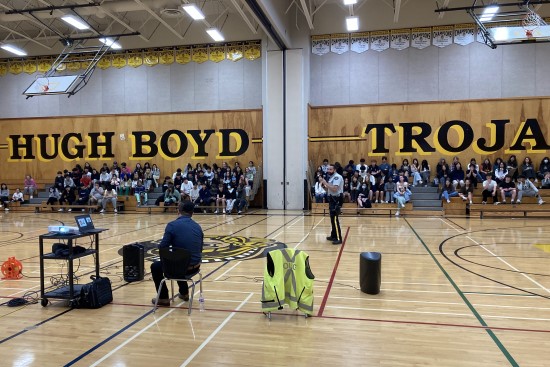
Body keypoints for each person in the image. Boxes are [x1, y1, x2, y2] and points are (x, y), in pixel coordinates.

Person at [151, 201, 204, 306]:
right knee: (179, 260)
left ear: (178, 211)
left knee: (156, 266)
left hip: (181, 268)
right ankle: (184, 293)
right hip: (196, 266)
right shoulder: (198, 227)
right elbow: (200, 249)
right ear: (192, 213)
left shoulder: (172, 225)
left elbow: (163, 248)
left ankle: (163, 298)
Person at [320, 164, 343, 245]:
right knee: (332, 218)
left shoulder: (337, 177)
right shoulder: (331, 177)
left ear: (334, 170)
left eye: (330, 169)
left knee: (335, 219)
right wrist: (323, 185)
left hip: (336, 199)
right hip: (331, 199)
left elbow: (334, 188)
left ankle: (339, 238)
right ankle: (333, 235)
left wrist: (325, 183)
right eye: (328, 169)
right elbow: (329, 189)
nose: (328, 171)